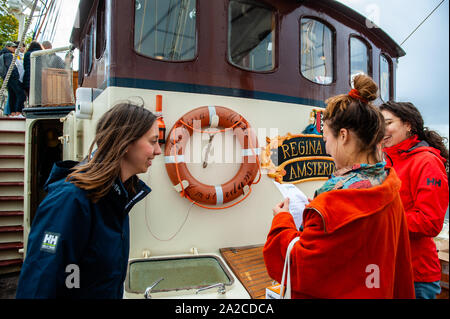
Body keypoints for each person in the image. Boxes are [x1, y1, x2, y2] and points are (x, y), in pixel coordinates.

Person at [263, 74, 415, 298]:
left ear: (343, 136)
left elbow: (297, 268)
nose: (327, 149)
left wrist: (282, 220)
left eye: (326, 139)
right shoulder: (388, 185)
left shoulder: (333, 202)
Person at [16, 102, 162, 298]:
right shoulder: (70, 200)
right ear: (126, 143)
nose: (158, 151)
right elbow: (40, 281)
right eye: (153, 141)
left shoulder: (117, 198)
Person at [380, 101, 449, 299]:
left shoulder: (427, 162)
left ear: (408, 125)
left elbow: (430, 222)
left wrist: (382, 219)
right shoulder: (388, 161)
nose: (382, 130)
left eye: (388, 122)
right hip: (388, 267)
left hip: (416, 273)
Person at [0, 41, 26, 116]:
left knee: (12, 95)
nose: (15, 48)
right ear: (7, 47)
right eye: (13, 47)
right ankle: (18, 112)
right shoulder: (9, 55)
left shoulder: (2, 55)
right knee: (21, 94)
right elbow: (11, 66)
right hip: (13, 77)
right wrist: (16, 76)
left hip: (6, 78)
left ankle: (12, 113)